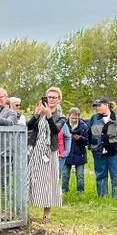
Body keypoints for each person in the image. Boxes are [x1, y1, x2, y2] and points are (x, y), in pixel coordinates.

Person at [27, 87, 67, 221]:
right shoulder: (40, 112)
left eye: (54, 97)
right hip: (36, 148)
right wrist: (36, 115)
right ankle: (25, 210)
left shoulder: (61, 116)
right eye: (49, 97)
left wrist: (49, 116)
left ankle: (46, 215)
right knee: (31, 178)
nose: (51, 99)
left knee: (49, 181)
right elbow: (28, 127)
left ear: (59, 99)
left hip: (50, 151)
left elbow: (55, 130)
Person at [88, 97, 117, 199]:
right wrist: (91, 146)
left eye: (99, 105)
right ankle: (102, 198)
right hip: (99, 152)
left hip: (116, 152)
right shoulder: (94, 118)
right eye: (96, 106)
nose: (97, 108)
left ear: (106, 105)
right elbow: (88, 134)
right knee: (100, 176)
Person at [62, 108, 88, 193]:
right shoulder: (63, 125)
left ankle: (80, 192)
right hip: (67, 153)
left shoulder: (84, 126)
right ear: (69, 116)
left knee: (80, 176)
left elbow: (87, 141)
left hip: (80, 153)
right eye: (72, 118)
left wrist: (80, 138)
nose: (73, 120)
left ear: (79, 117)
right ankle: (64, 191)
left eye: (76, 118)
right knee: (65, 175)